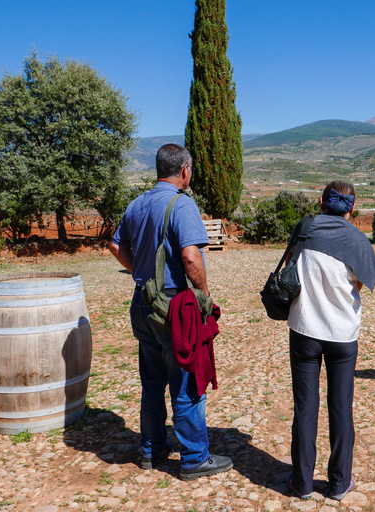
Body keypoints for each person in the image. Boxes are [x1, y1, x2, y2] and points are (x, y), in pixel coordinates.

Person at [109, 143, 232, 480]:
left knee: (151, 382)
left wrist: (141, 275)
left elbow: (115, 245)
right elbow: (191, 257)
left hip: (142, 304)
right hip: (176, 307)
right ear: (184, 171)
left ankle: (151, 450)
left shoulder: (137, 203)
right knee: (187, 382)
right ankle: (194, 458)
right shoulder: (182, 204)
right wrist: (204, 296)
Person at [285, 180, 375, 501]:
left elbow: (290, 270)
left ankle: (301, 484)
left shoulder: (305, 229)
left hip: (304, 330)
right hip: (343, 335)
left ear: (321, 201)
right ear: (352, 208)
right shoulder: (357, 239)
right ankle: (340, 484)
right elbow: (363, 282)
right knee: (341, 407)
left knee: (305, 407)